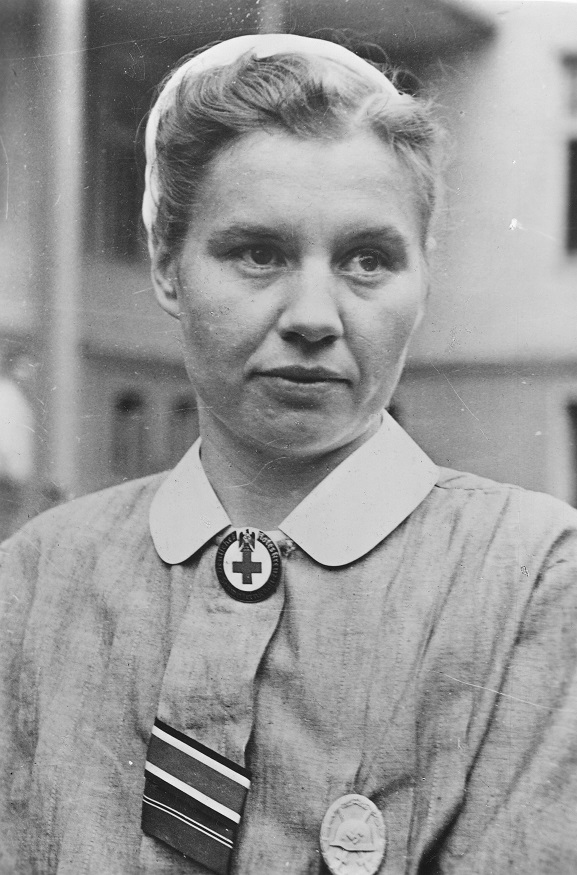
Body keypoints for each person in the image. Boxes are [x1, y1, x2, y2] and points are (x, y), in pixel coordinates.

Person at [1, 32, 576, 875]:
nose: (313, 315)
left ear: (422, 279)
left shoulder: (533, 580)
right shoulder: (37, 580)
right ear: (167, 265)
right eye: (257, 253)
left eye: (367, 260)